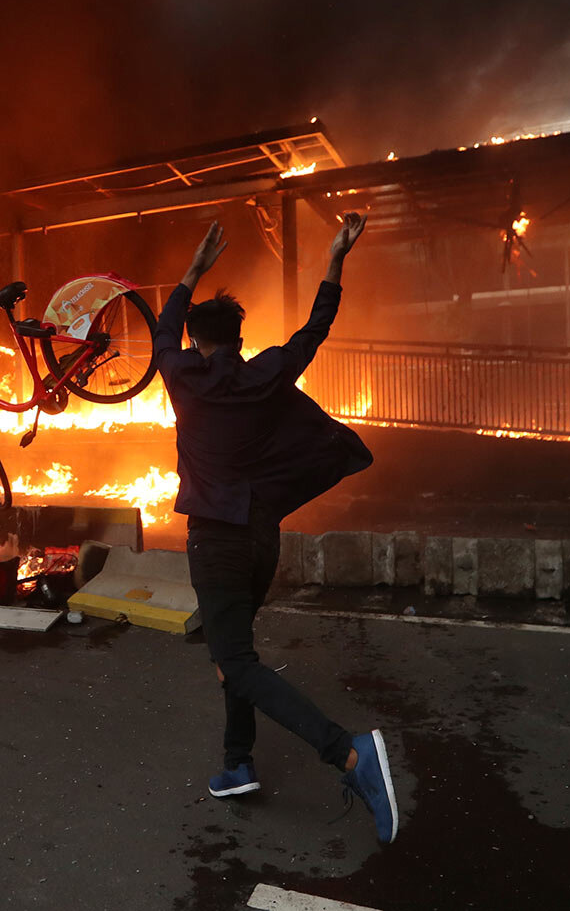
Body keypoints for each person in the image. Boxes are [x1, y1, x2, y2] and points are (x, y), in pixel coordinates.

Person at [152, 212, 400, 844]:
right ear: (239, 336)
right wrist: (335, 260)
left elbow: (162, 332)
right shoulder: (264, 373)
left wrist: (193, 270)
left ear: (197, 341)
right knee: (232, 655)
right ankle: (237, 764)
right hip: (262, 539)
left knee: (233, 659)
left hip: (215, 537)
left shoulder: (182, 376)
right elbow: (316, 329)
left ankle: (348, 753)